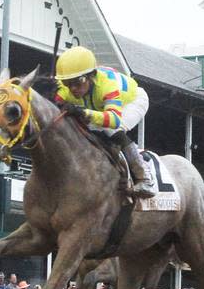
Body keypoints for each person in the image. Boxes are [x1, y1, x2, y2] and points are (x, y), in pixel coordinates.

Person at [52, 45, 157, 197]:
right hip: (100, 105)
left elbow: (113, 120)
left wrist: (83, 112)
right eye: (68, 83)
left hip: (132, 100)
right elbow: (53, 109)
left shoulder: (107, 85)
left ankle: (145, 178)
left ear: (90, 76)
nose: (73, 89)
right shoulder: (66, 89)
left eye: (78, 82)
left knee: (111, 130)